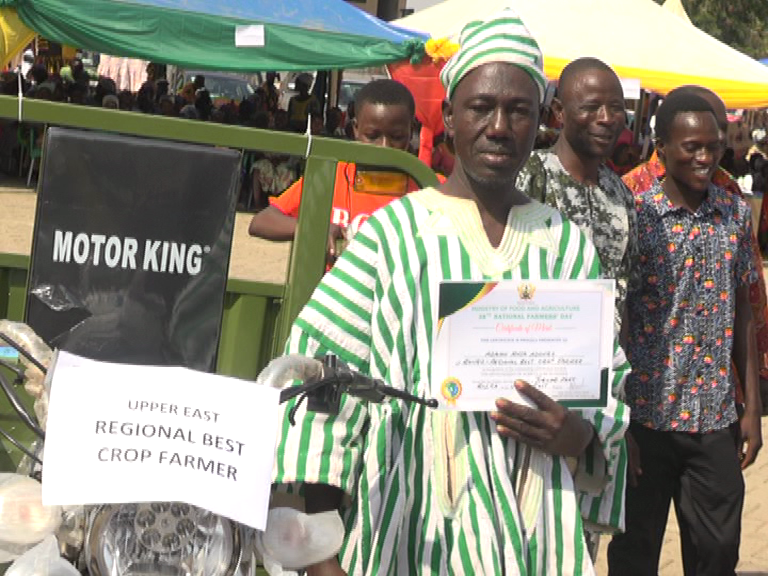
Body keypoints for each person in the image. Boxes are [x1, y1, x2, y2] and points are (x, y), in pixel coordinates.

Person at [271, 9, 629, 575]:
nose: (499, 127)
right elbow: (320, 385)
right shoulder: (393, 237)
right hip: (407, 535)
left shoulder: (565, 247)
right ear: (451, 116)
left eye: (518, 110)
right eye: (481, 107)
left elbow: (608, 390)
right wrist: (321, 560)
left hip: (537, 544)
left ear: (540, 120)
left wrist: (578, 433)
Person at [607, 91, 763, 576]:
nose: (704, 157)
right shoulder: (635, 215)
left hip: (714, 418)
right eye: (691, 147)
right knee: (635, 556)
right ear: (663, 146)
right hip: (646, 421)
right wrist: (620, 416)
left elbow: (744, 313)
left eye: (713, 147)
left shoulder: (734, 214)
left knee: (717, 554)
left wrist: (753, 409)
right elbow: (619, 317)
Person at [623, 85, 768, 412]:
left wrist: (755, 378)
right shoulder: (632, 195)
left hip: (716, 392)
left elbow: (750, 292)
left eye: (716, 136)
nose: (705, 153)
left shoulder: (728, 191)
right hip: (652, 396)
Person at [518, 57, 637, 338]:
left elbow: (626, 291)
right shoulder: (531, 176)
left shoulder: (621, 195)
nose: (606, 118)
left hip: (605, 364)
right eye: (591, 107)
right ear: (559, 111)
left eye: (616, 108)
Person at [248, 79, 419, 264]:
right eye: (372, 136)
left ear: (412, 131)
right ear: (355, 129)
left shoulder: (426, 186)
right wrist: (315, 229)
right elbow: (261, 221)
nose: (384, 147)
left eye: (397, 137)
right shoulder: (332, 177)